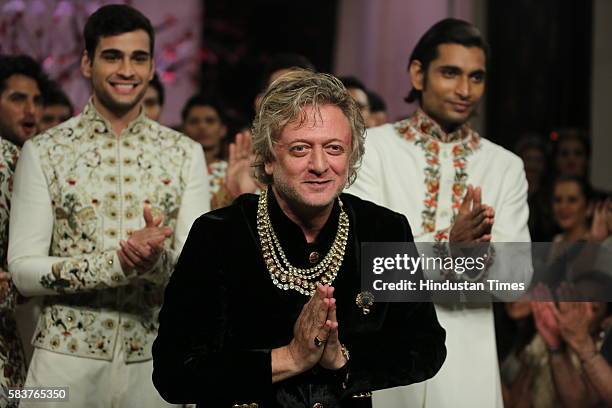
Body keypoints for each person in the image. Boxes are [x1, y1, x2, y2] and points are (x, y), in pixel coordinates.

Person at [152, 70, 446, 408]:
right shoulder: (219, 234)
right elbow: (173, 373)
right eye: (300, 148)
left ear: (351, 156)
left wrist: (341, 358)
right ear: (268, 158)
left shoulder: (383, 230)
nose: (319, 165)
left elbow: (426, 348)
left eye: (334, 148)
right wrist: (290, 358)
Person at [8, 5, 209, 407]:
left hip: (155, 358)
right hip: (62, 359)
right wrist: (116, 264)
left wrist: (152, 261)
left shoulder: (184, 153)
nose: (126, 70)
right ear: (87, 62)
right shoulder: (45, 151)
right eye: (112, 56)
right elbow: (23, 270)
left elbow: (199, 270)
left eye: (138, 58)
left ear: (152, 67)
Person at [347, 18, 531, 408]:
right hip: (388, 356)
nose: (465, 90)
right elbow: (364, 263)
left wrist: (465, 255)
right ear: (418, 73)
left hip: (470, 361)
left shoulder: (504, 165)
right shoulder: (372, 150)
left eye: (476, 78)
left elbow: (518, 278)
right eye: (451, 73)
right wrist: (449, 248)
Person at [0, 54, 49, 408]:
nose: (30, 110)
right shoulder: (12, 159)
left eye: (36, 100)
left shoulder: (27, 157)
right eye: (18, 99)